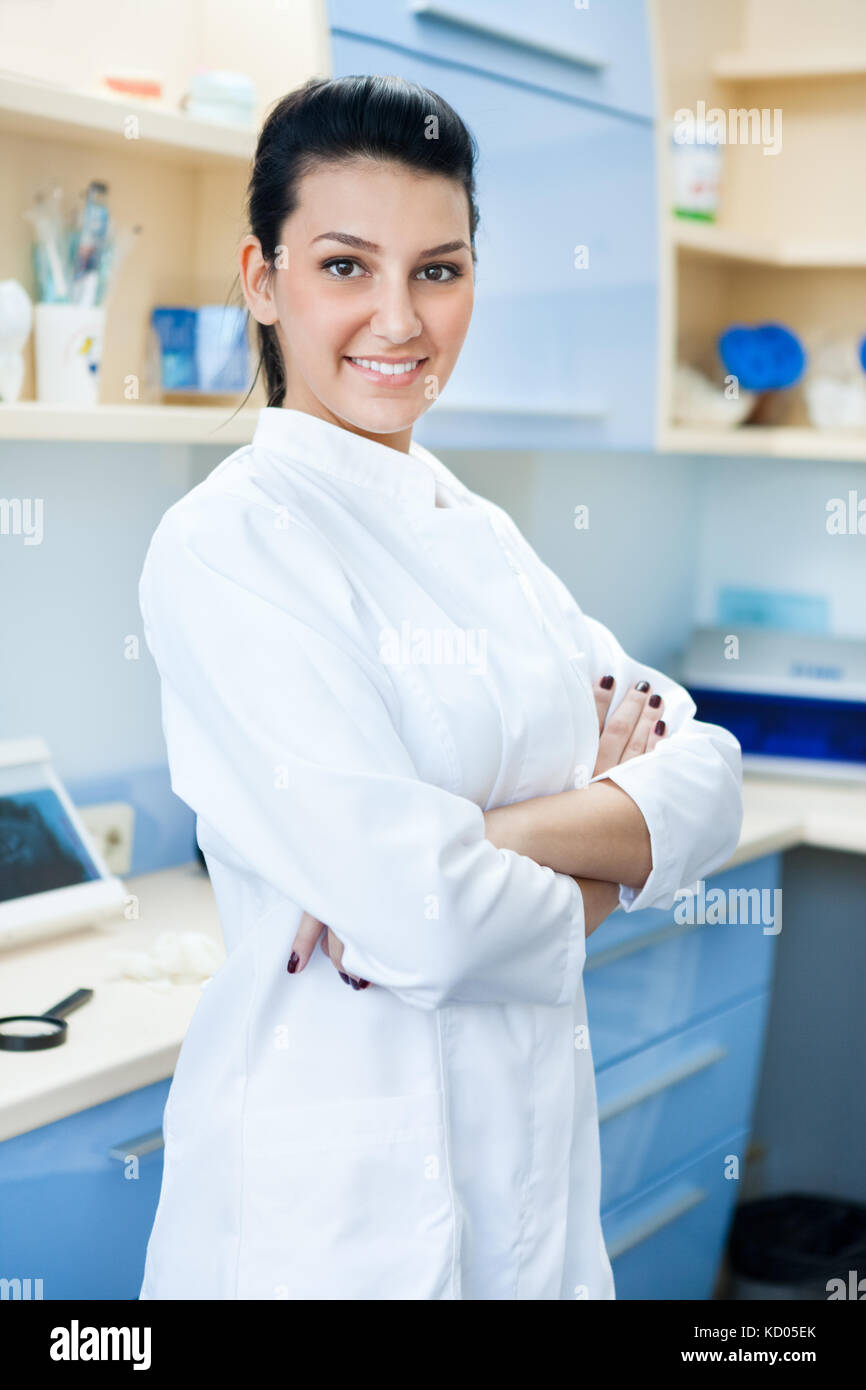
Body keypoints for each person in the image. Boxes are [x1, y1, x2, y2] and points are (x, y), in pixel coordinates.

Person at [137, 74, 743, 1300]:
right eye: (346, 266)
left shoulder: (478, 535)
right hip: (334, 1227)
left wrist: (484, 838)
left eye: (438, 269)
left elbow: (706, 775)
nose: (399, 321)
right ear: (262, 281)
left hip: (527, 1185)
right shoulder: (228, 544)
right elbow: (435, 919)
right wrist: (597, 832)